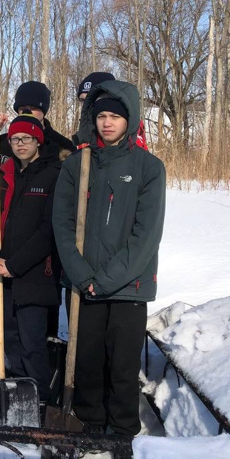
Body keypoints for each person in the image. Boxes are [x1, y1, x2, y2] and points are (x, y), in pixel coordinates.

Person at [52, 80, 166, 436]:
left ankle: (122, 433)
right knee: (87, 362)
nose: (107, 122)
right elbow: (63, 224)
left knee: (122, 367)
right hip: (85, 284)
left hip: (128, 287)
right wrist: (81, 275)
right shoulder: (78, 166)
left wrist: (102, 281)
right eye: (101, 115)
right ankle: (88, 425)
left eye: (115, 116)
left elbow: (145, 236)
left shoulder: (149, 168)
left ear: (129, 120)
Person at [0, 115, 64, 402]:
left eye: (27, 138)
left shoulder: (54, 174)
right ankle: (17, 398)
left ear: (38, 140)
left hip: (36, 273)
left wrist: (15, 265)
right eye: (15, 139)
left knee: (32, 344)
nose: (20, 144)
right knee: (11, 341)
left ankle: (41, 400)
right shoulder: (4, 173)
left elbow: (49, 230)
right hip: (3, 272)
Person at [75, 71, 148, 151]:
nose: (86, 106)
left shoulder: (130, 136)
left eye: (91, 99)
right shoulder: (85, 135)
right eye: (82, 101)